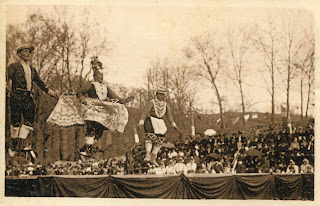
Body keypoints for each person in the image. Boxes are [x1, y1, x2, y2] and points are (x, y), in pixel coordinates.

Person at [77, 57, 134, 157]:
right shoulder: (91, 85)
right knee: (91, 128)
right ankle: (87, 149)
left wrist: (125, 100)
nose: (101, 77)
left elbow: (116, 97)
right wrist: (82, 98)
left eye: (102, 75)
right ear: (95, 76)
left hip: (102, 113)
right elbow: (80, 92)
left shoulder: (105, 87)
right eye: (100, 75)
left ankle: (86, 148)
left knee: (99, 130)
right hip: (92, 111)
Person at [6, 46, 57, 158]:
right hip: (16, 96)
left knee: (29, 121)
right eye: (25, 52)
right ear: (19, 54)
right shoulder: (13, 67)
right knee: (16, 122)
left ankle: (20, 144)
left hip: (28, 97)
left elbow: (39, 82)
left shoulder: (32, 69)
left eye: (29, 52)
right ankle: (14, 145)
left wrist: (49, 91)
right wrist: (6, 91)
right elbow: (5, 78)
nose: (28, 54)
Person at [138, 86, 181, 166]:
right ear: (156, 95)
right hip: (151, 120)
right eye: (160, 94)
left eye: (163, 95)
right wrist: (141, 121)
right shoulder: (152, 102)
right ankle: (147, 155)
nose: (161, 96)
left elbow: (169, 116)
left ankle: (153, 157)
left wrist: (174, 125)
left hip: (160, 122)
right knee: (150, 138)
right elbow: (145, 112)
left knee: (160, 141)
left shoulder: (165, 105)